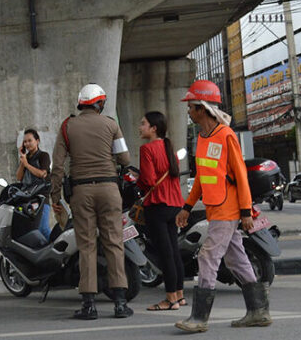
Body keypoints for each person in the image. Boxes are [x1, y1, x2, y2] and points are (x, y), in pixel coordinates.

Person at [174, 80, 272, 333]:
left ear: (202, 108)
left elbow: (241, 176)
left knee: (208, 256)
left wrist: (246, 211)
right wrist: (187, 206)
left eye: (191, 106)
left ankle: (199, 318)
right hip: (213, 207)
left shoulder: (226, 135)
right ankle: (258, 311)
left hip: (228, 210)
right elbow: (202, 179)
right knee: (236, 259)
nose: (188, 111)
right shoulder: (202, 138)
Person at [51, 83, 133, 320]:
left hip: (81, 192)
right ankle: (119, 302)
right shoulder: (111, 125)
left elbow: (57, 166)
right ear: (100, 103)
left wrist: (55, 196)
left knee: (87, 246)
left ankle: (89, 305)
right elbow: (125, 158)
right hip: (109, 189)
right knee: (114, 243)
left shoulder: (67, 126)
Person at [136, 111, 185, 311]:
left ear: (154, 128)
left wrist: (137, 179)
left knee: (165, 254)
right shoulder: (169, 147)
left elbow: (147, 181)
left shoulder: (147, 149)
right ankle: (180, 296)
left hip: (157, 205)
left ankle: (170, 299)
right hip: (174, 205)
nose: (140, 127)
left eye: (143, 124)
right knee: (174, 252)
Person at [15, 128, 51, 238]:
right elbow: (19, 177)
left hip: (41, 198)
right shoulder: (25, 159)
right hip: (28, 198)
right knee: (32, 230)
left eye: (30, 140)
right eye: (25, 141)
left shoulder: (43, 156)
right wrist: (23, 160)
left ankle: (56, 250)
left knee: (43, 228)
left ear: (37, 141)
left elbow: (42, 174)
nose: (27, 144)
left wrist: (27, 165)